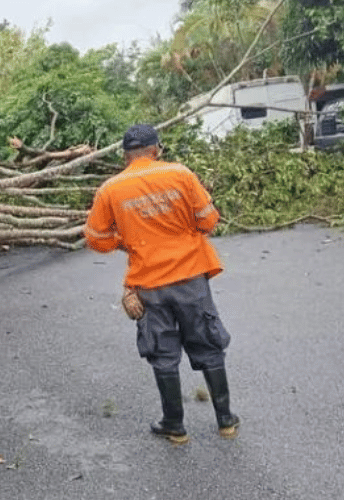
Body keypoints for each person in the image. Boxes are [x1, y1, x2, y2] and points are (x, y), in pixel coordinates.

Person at [84, 124, 240, 443]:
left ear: (126, 156)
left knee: (162, 351)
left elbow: (96, 238)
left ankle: (174, 425)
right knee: (208, 344)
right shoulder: (180, 174)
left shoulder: (110, 189)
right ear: (156, 149)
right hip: (191, 276)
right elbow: (209, 220)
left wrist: (126, 242)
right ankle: (225, 421)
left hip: (148, 283)